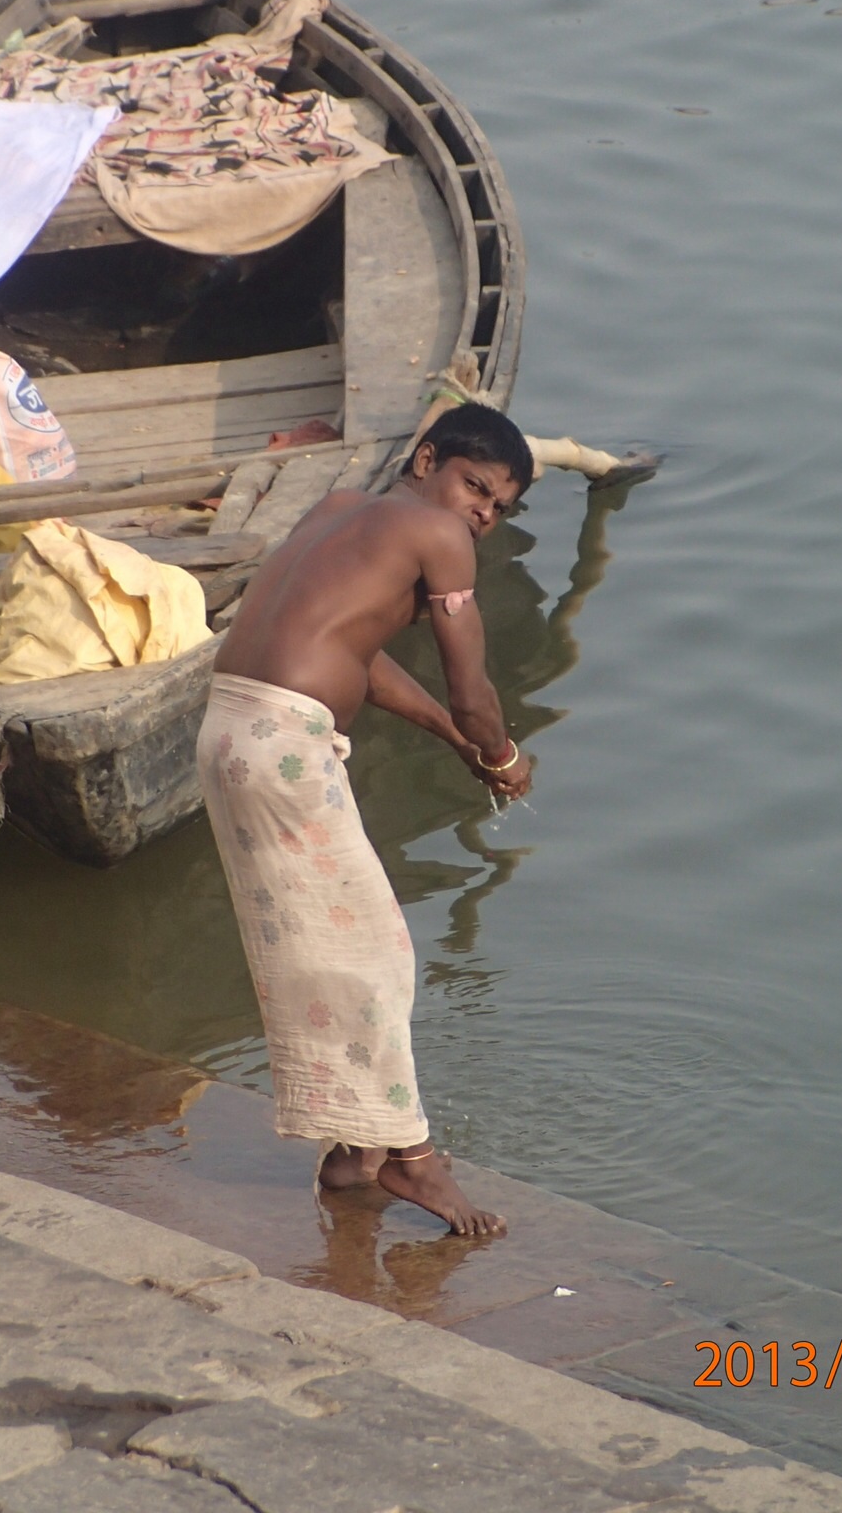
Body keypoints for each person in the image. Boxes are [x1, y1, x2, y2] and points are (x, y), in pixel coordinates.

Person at [197, 402, 535, 1238]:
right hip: (282, 743)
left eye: (500, 508)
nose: (482, 514)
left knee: (324, 949)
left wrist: (454, 740)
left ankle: (356, 1153)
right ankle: (410, 1159)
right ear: (426, 460)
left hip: (230, 728)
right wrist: (500, 754)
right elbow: (473, 690)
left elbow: (357, 656)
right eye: (476, 487)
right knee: (376, 952)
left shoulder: (339, 509)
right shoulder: (437, 534)